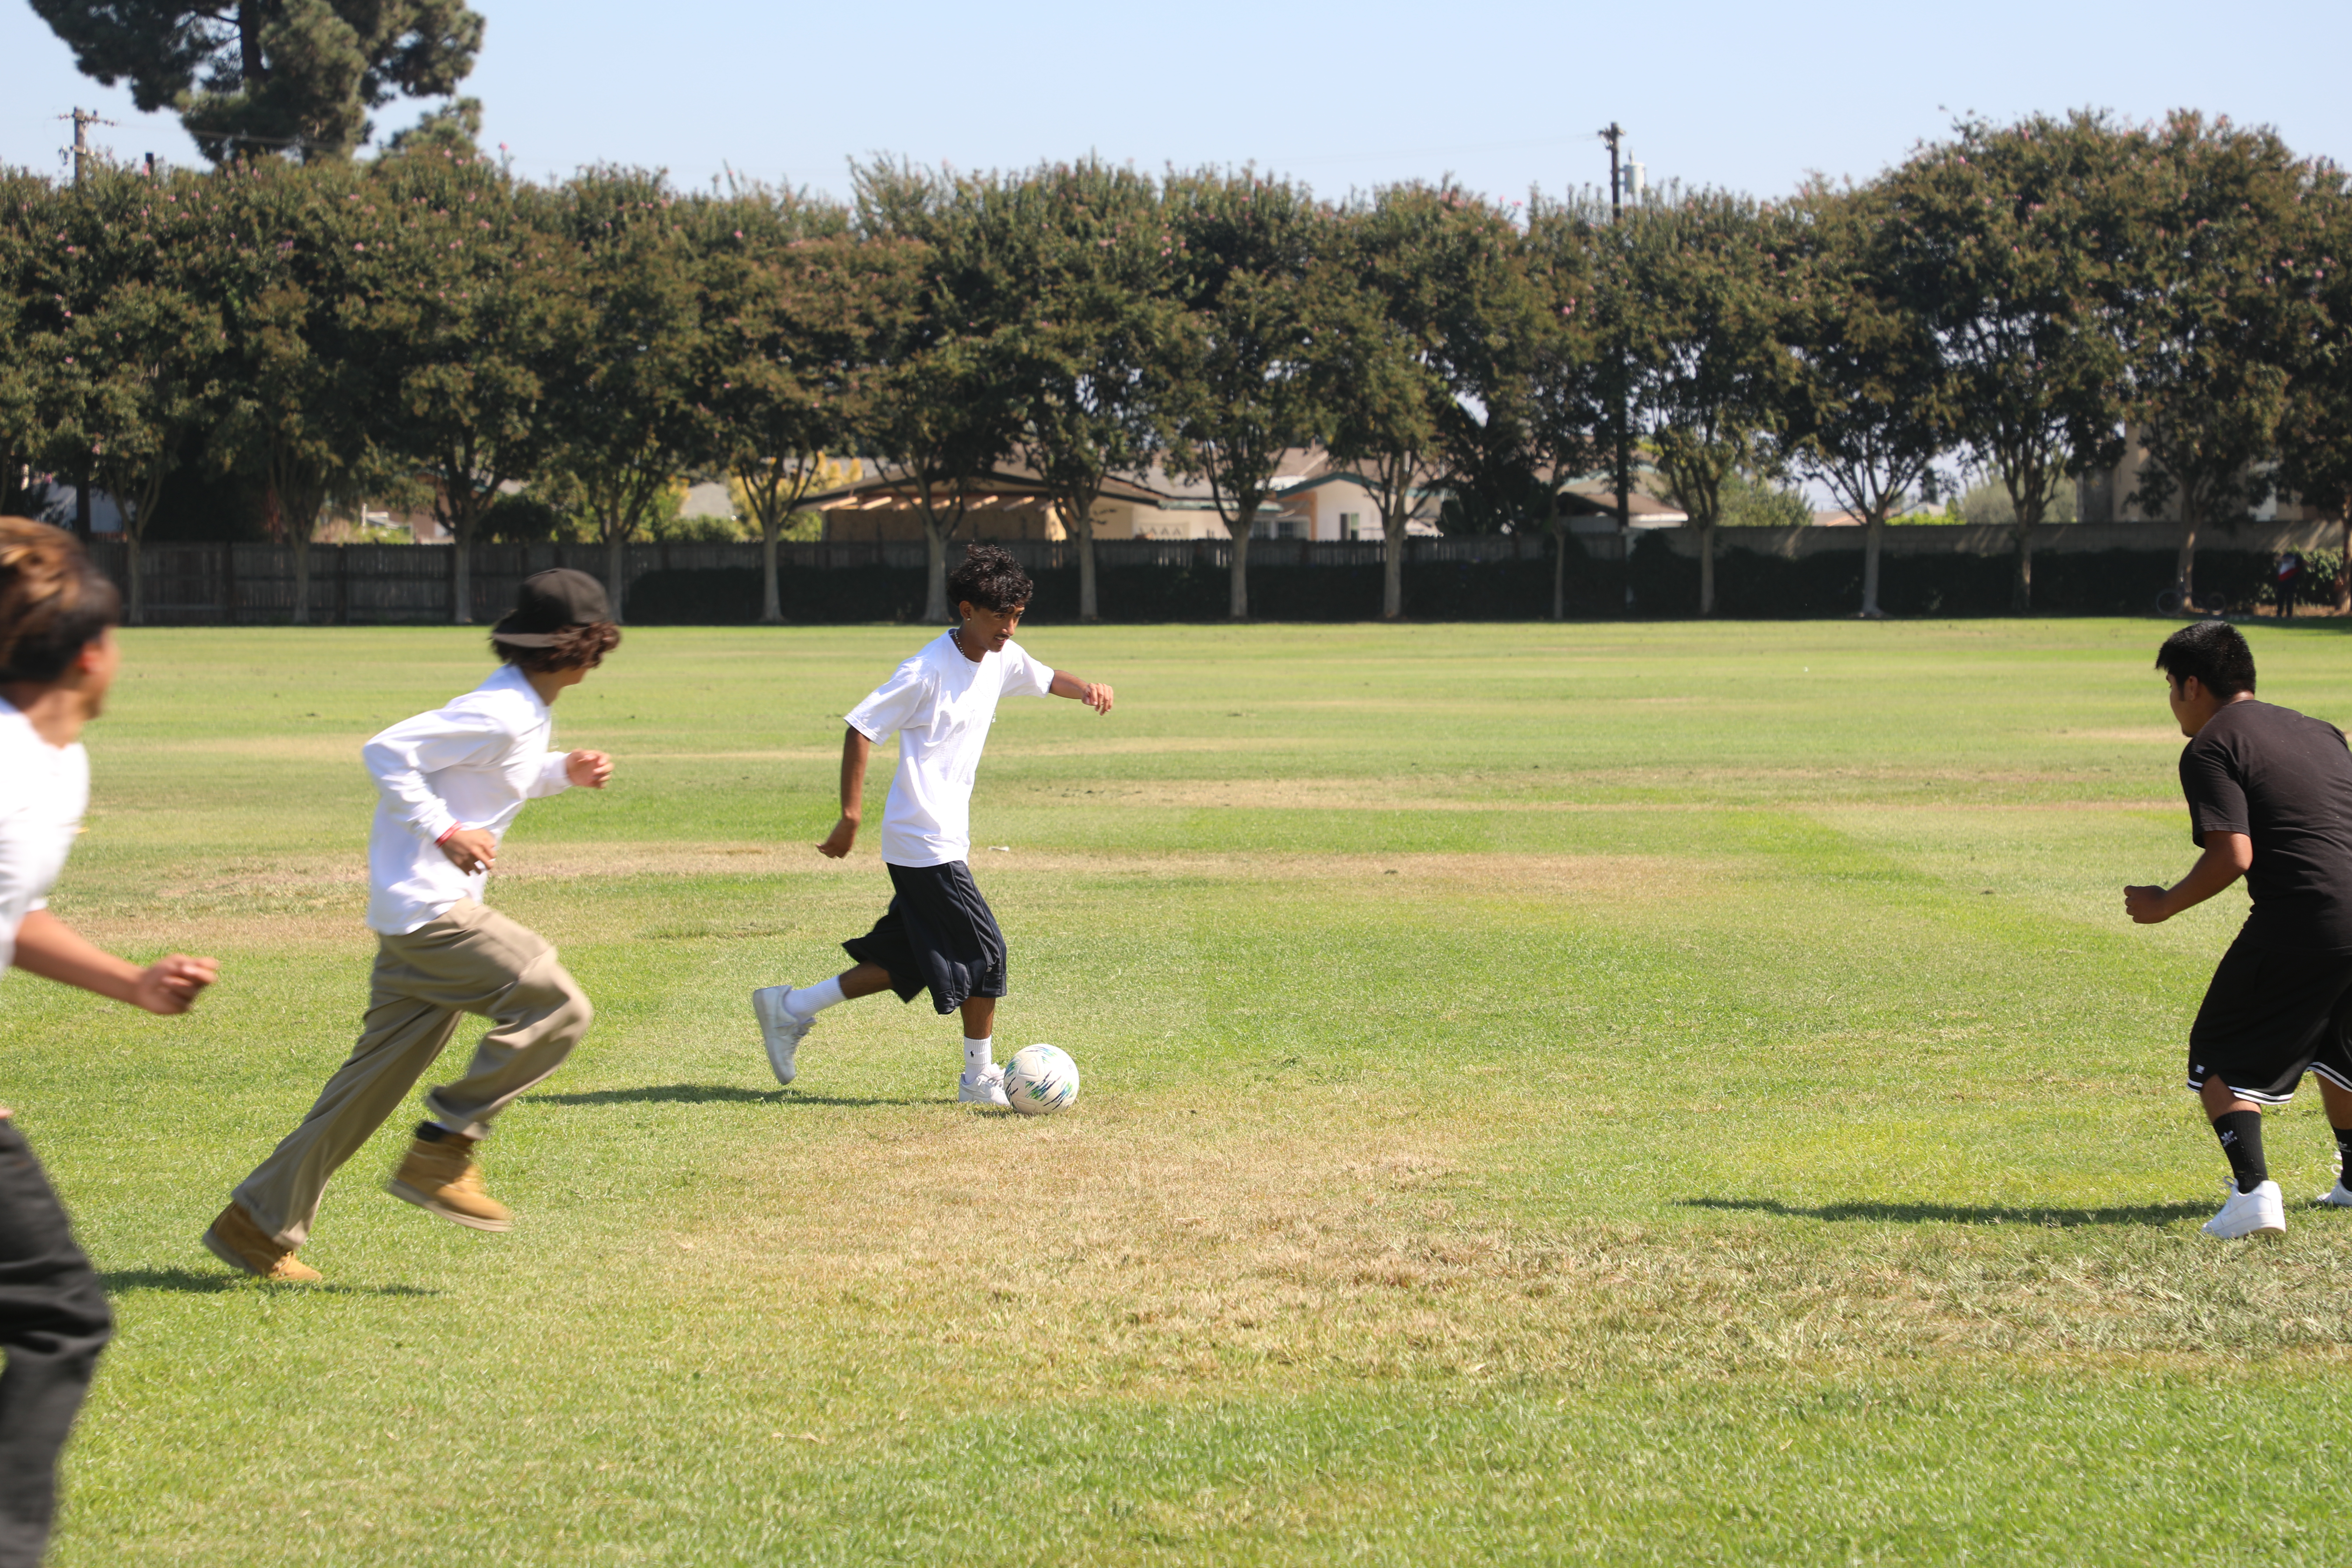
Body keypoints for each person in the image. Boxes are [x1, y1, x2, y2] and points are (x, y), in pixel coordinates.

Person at [205, 569, 617, 1281]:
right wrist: (446, 828)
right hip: (435, 912)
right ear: (586, 648)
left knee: (363, 1091)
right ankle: (444, 1146)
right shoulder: (503, 711)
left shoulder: (521, 709)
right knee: (557, 1000)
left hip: (411, 916)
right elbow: (387, 750)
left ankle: (257, 1223)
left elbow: (486, 773)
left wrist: (561, 773)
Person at [0, 518, 218, 1568]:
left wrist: (129, 983)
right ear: (92, 655)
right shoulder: (9, 765)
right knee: (60, 1316)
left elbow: (9, 917)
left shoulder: (53, 764)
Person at [752, 544, 1113, 1104]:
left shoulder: (1001, 655)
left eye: (1018, 617)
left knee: (906, 959)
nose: (1011, 630)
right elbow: (861, 728)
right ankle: (979, 1080)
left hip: (942, 840)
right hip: (923, 840)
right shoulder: (924, 672)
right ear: (967, 610)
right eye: (1001, 617)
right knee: (987, 954)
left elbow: (1046, 679)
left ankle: (789, 1008)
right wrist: (851, 815)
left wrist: (1086, 688)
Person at [2126, 620, 2352, 1238]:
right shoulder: (2320, 730)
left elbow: (2235, 855)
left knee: (2221, 1050)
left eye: (2172, 687)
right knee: (2337, 1046)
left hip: (2307, 912)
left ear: (2193, 685)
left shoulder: (2211, 746)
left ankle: (2254, 1194)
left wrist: (2163, 904)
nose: (2172, 701)